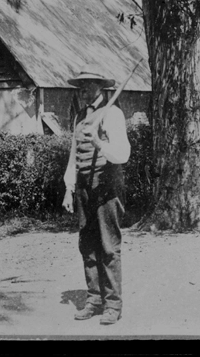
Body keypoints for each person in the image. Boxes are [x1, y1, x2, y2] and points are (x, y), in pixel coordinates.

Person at [63, 64, 131, 325]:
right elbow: (73, 156)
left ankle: (113, 305)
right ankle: (94, 299)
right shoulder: (79, 116)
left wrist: (99, 142)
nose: (83, 90)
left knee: (108, 247)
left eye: (89, 85)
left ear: (101, 87)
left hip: (107, 189)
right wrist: (69, 189)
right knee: (87, 246)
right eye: (81, 86)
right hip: (83, 189)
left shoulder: (112, 114)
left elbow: (122, 154)